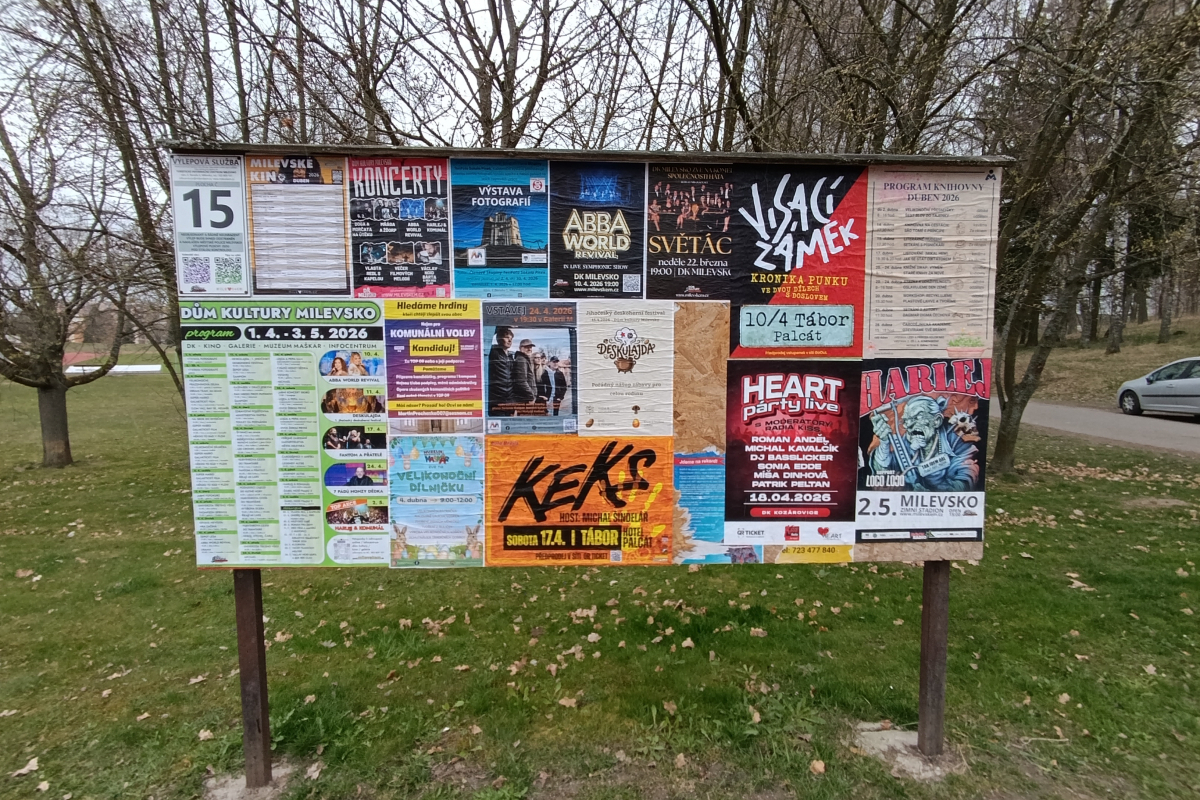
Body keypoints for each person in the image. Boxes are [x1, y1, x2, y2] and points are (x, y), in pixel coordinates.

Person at [488, 326, 515, 415]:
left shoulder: (510, 357)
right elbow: (487, 335)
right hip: (496, 398)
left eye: (511, 338)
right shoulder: (493, 352)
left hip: (509, 399)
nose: (510, 340)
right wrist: (502, 325)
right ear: (499, 339)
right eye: (507, 337)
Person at [511, 339, 537, 408]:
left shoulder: (524, 359)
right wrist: (531, 396)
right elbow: (521, 381)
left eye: (530, 347)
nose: (529, 349)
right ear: (520, 348)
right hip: (525, 398)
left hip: (526, 397)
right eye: (526, 347)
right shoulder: (521, 360)